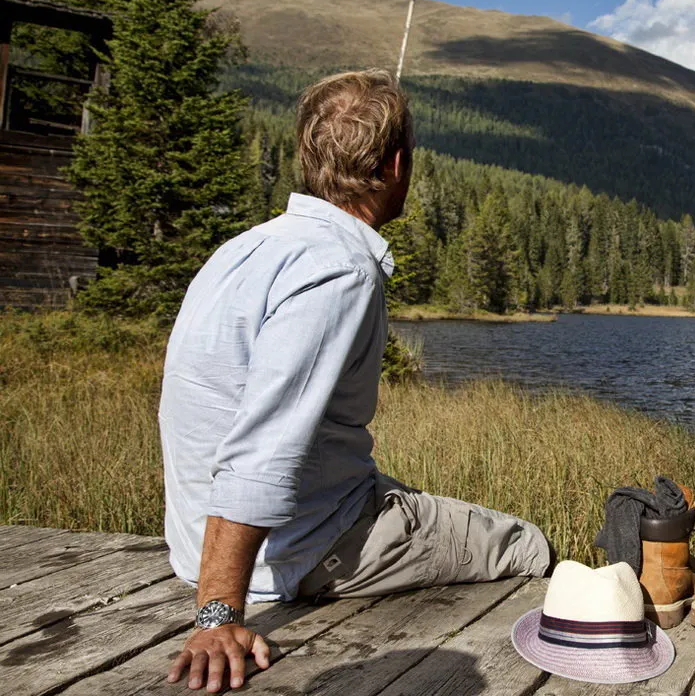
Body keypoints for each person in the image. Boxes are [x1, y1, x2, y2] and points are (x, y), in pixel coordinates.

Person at [159, 70, 552, 693]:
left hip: (198, 543)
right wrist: (218, 615)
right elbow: (262, 451)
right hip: (296, 556)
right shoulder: (339, 270)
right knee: (527, 545)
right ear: (396, 164)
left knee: (409, 498)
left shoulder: (244, 249)